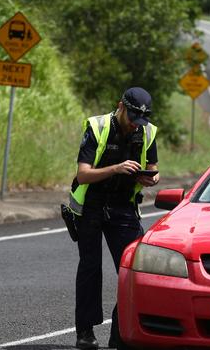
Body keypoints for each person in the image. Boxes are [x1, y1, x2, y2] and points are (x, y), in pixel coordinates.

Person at [68, 87, 159, 349]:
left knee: (133, 271)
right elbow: (83, 174)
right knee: (90, 267)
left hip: (124, 207)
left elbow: (153, 169)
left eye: (139, 120)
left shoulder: (147, 131)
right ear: (120, 106)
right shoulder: (97, 127)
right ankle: (84, 332)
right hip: (92, 206)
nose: (134, 125)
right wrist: (116, 169)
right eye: (131, 118)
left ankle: (119, 334)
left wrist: (150, 177)